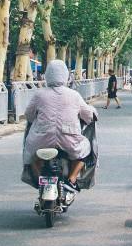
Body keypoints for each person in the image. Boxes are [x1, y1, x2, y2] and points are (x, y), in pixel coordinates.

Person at [23, 60, 98, 190]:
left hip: (41, 139)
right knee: (86, 149)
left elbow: (29, 115)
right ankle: (72, 179)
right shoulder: (74, 95)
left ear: (47, 75)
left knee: (30, 154)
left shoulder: (39, 94)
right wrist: (93, 113)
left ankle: (41, 180)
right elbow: (88, 115)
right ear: (66, 75)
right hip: (69, 140)